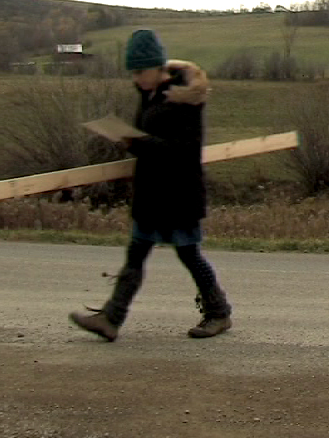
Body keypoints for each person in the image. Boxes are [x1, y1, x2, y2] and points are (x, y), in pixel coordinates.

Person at [69, 29, 231, 342]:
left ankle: (219, 313)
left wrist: (140, 143)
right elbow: (150, 140)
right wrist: (130, 141)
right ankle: (111, 319)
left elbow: (185, 150)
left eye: (140, 71)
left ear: (157, 68)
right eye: (133, 71)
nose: (136, 78)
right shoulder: (148, 95)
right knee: (136, 255)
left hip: (178, 194)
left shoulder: (185, 98)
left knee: (189, 255)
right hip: (151, 194)